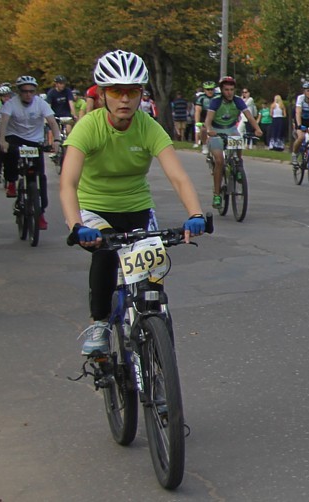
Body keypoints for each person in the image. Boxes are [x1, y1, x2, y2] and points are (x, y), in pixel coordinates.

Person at [59, 49, 206, 356]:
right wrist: (76, 225)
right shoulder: (88, 126)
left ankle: (155, 333)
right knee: (104, 255)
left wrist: (195, 214)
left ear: (141, 95)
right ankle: (99, 322)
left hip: (137, 208)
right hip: (95, 209)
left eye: (132, 92)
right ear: (102, 94)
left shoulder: (148, 126)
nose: (124, 99)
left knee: (152, 274)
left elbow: (178, 177)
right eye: (116, 91)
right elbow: (68, 183)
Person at [0, 75, 62, 230]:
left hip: (35, 141)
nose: (28, 94)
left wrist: (56, 140)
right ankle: (12, 181)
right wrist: (2, 141)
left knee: (40, 176)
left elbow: (52, 122)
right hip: (15, 137)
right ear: (19, 92)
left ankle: (40, 213)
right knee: (10, 153)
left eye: (31, 91)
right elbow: (4, 123)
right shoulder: (11, 104)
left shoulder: (41, 104)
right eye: (24, 91)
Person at [203, 76, 263, 208]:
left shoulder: (238, 101)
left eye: (231, 89)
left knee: (238, 138)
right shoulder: (216, 101)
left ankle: (238, 164)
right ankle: (217, 195)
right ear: (222, 90)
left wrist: (257, 129)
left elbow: (249, 116)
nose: (229, 92)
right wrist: (208, 129)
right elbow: (208, 119)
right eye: (226, 90)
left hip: (231, 129)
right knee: (219, 161)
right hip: (217, 130)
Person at [291, 82, 309, 163]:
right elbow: (298, 112)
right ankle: (294, 154)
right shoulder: (300, 98)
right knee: (301, 137)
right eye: (308, 91)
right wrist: (300, 125)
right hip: (301, 119)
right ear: (304, 92)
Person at [194, 81, 216, 154]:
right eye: (208, 89)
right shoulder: (201, 98)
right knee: (203, 130)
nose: (210, 91)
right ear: (204, 90)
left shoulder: (218, 97)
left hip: (215, 116)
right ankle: (204, 145)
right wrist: (197, 122)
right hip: (204, 115)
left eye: (211, 89)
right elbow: (197, 111)